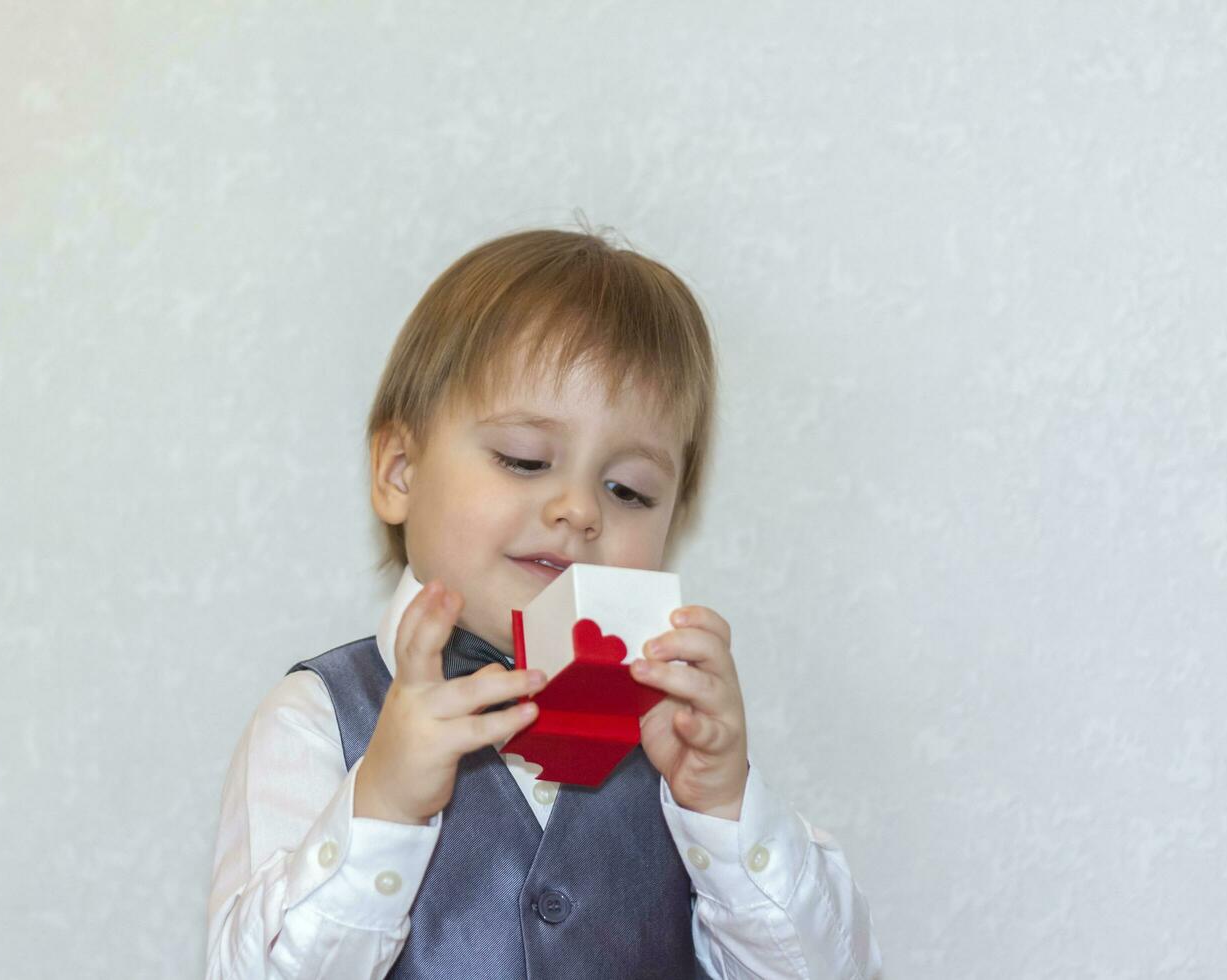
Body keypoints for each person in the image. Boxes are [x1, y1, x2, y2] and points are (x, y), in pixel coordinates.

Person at [205, 227, 883, 979]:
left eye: (628, 490)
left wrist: (724, 809)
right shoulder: (314, 722)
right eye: (525, 460)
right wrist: (385, 807)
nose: (579, 509)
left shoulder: (676, 748)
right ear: (400, 472)